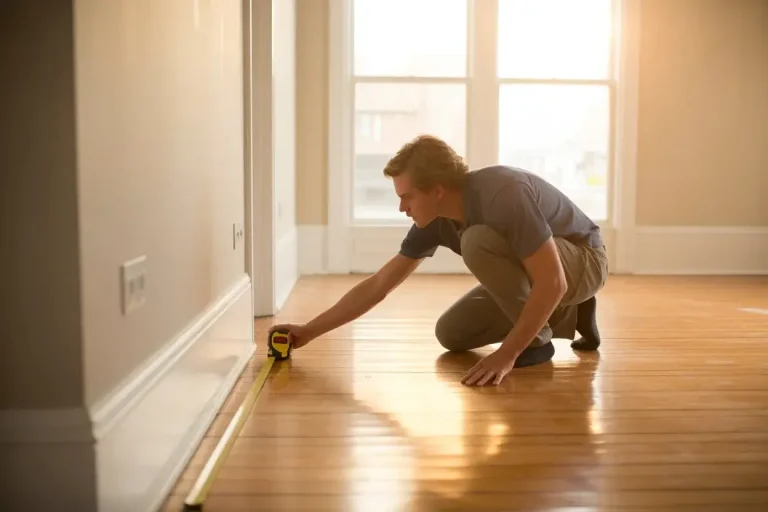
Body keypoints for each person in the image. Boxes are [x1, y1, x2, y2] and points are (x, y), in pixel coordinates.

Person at [270, 135, 609, 386]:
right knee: (452, 333)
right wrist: (308, 332)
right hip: (550, 277)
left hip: (583, 262)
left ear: (438, 189)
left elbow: (553, 281)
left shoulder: (503, 193)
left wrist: (506, 354)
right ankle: (569, 313)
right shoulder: (433, 220)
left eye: (407, 197)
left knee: (477, 241)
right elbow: (378, 285)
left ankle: (537, 342)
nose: (402, 207)